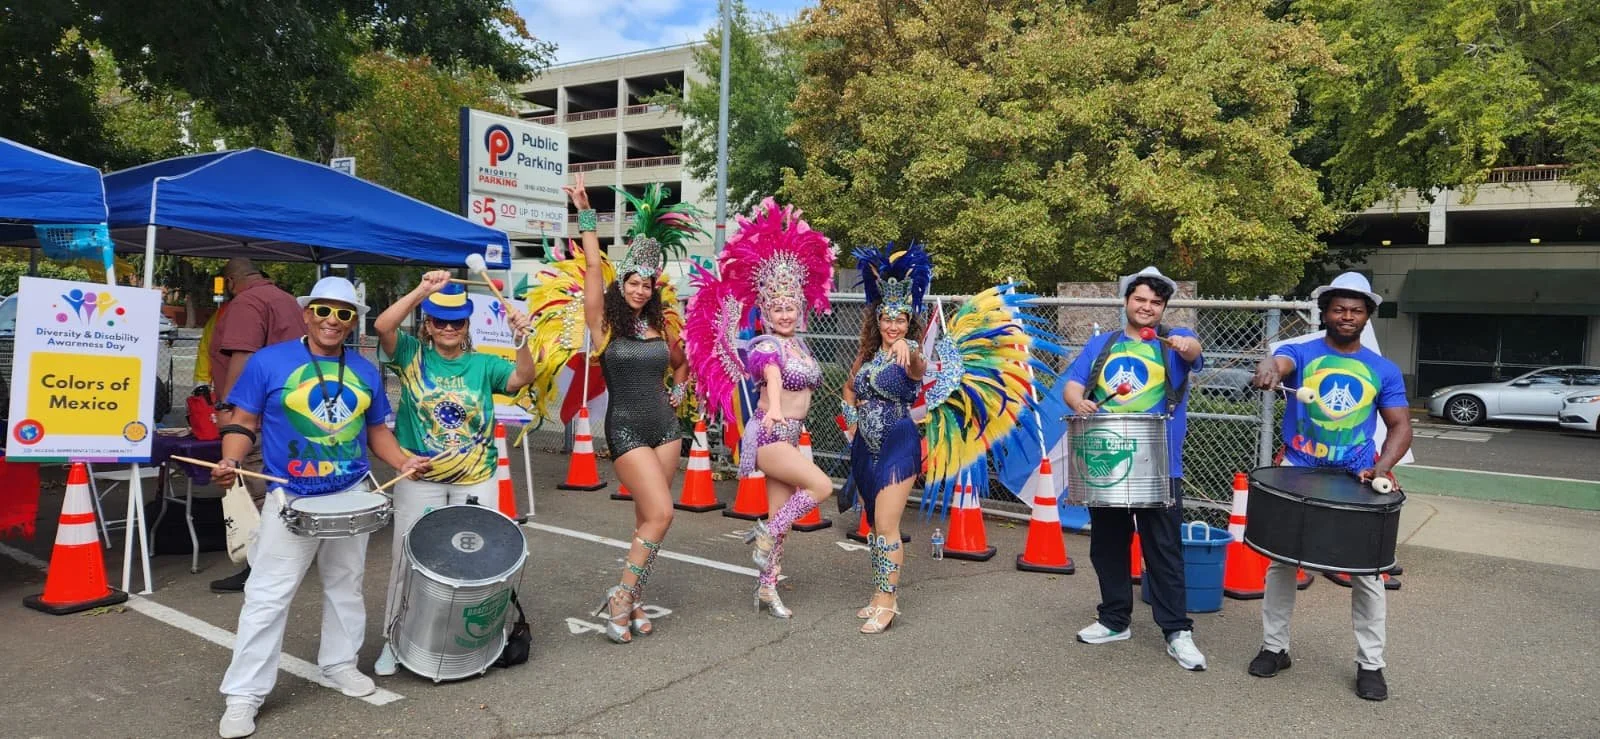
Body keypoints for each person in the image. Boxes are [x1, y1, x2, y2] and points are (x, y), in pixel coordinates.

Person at [210, 276, 431, 738]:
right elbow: (243, 420)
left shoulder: (366, 369)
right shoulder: (270, 362)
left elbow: (377, 432)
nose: (333, 321)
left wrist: (404, 461)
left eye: (344, 313)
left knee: (345, 586)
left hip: (351, 494)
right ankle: (244, 694)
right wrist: (230, 459)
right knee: (268, 596)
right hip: (292, 497)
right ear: (307, 314)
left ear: (353, 322)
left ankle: (340, 663)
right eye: (324, 311)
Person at [1248, 271, 1413, 701]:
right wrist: (1268, 366)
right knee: (1282, 562)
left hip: (1353, 475)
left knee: (1367, 573)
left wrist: (1381, 466)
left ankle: (1371, 665)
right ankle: (1274, 647)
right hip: (1299, 468)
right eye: (1339, 308)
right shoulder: (1299, 352)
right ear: (1324, 313)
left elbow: (1400, 427)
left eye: (1356, 311)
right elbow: (1278, 362)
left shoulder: (1383, 370)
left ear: (1366, 317)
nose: (1346, 316)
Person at [557, 175, 700, 644]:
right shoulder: (603, 325)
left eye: (647, 284)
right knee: (662, 513)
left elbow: (681, 366)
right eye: (633, 282)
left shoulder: (660, 324)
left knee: (646, 521)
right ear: (624, 285)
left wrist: (679, 394)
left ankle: (633, 600)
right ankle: (620, 597)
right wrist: (585, 213)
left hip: (665, 428)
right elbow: (594, 268)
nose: (640, 290)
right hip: (626, 430)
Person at [370, 272, 534, 675]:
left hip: (476, 479)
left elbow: (522, 377)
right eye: (438, 321)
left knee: (475, 564)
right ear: (427, 324)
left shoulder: (482, 365)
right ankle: (394, 639)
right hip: (418, 479)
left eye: (456, 321)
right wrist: (422, 291)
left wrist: (522, 339)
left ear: (467, 326)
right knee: (406, 559)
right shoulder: (410, 354)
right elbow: (382, 325)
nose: (447, 328)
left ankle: (463, 645)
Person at [685, 198, 837, 621]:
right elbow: (770, 375)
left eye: (791, 307)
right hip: (772, 434)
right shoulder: (766, 345)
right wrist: (770, 409)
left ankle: (767, 588)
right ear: (766, 312)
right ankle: (764, 534)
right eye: (777, 308)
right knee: (821, 488)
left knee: (782, 515)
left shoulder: (800, 346)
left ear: (798, 309)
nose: (785, 313)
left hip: (788, 434)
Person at [1062, 266, 1208, 671]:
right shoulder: (1102, 344)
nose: (1147, 307)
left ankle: (1177, 631)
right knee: (1107, 544)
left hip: (1161, 465)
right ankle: (1114, 620)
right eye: (1140, 299)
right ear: (1126, 301)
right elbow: (1073, 385)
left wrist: (1184, 344)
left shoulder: (1172, 344)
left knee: (1163, 548)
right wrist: (1079, 402)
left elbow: (1195, 354)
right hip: (1107, 460)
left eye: (1155, 303)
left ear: (1163, 309)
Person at [838, 244, 931, 633]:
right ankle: (878, 594)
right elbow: (847, 390)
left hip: (897, 443)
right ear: (877, 319)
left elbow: (919, 367)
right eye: (887, 319)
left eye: (900, 319)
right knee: (874, 526)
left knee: (888, 523)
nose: (892, 326)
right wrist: (851, 422)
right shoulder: (868, 356)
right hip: (864, 447)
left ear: (910, 321)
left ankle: (889, 603)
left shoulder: (908, 352)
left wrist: (907, 348)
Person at [209, 257, 308, 594]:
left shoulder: (247, 302)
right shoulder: (287, 301)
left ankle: (262, 564)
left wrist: (229, 405)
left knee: (255, 488)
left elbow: (243, 354)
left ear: (233, 280)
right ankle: (281, 558)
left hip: (257, 411)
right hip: (290, 408)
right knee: (278, 484)